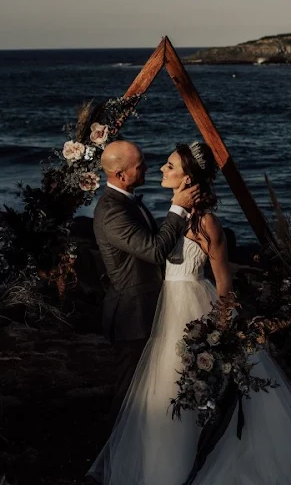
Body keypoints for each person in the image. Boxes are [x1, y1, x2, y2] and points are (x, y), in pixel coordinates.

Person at [88, 142, 291, 485]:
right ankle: (159, 470)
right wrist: (177, 210)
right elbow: (153, 250)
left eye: (169, 165)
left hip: (191, 307)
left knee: (184, 393)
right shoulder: (165, 211)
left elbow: (224, 283)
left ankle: (185, 468)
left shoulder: (206, 222)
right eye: (156, 164)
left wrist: (222, 329)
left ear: (188, 178)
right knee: (159, 395)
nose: (160, 169)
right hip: (162, 310)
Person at [93, 140, 199, 431]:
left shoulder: (126, 201)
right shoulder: (112, 212)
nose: (148, 168)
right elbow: (153, 251)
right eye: (140, 166)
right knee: (129, 391)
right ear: (121, 175)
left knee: (147, 386)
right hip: (132, 313)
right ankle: (114, 459)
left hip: (149, 306)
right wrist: (177, 209)